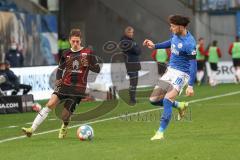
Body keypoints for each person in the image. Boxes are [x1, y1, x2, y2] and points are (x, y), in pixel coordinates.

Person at [22, 28, 101, 139]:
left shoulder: (88, 53)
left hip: (78, 89)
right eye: (73, 41)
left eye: (77, 41)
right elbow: (60, 69)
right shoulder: (66, 53)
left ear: (81, 40)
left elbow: (97, 69)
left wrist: (89, 64)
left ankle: (64, 126)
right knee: (50, 104)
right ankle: (31, 129)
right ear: (69, 40)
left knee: (64, 115)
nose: (75, 44)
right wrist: (58, 80)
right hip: (64, 84)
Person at [143, 14, 197, 141]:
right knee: (154, 99)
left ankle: (160, 132)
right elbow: (171, 42)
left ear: (180, 27)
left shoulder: (190, 43)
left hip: (182, 74)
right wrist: (155, 46)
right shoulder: (176, 35)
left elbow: (193, 65)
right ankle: (180, 105)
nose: (170, 28)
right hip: (170, 71)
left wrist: (190, 85)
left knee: (167, 100)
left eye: (172, 26)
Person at [120, 26, 141, 105]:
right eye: (130, 32)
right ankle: (132, 100)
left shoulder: (132, 41)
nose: (131, 34)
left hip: (135, 64)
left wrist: (135, 47)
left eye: (132, 32)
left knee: (134, 82)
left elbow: (139, 51)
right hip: (130, 64)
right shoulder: (124, 40)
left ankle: (133, 98)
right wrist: (135, 47)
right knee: (133, 82)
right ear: (126, 32)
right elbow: (134, 49)